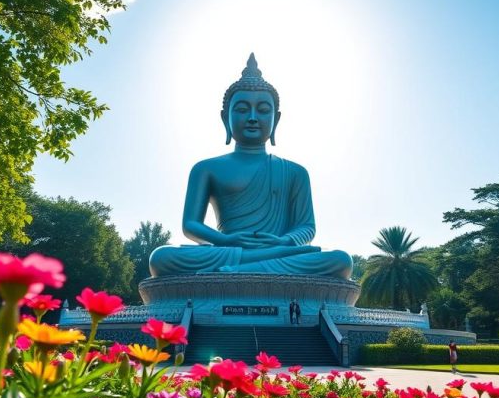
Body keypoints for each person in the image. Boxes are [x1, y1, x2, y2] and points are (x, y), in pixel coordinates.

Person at [148, 54, 352, 278]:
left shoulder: (295, 172)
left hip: (280, 251)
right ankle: (251, 265)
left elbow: (307, 227)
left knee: (341, 261)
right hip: (229, 250)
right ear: (226, 118)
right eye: (243, 110)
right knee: (160, 258)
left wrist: (285, 241)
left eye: (263, 110)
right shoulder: (206, 169)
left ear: (277, 119)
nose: (253, 117)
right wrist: (224, 240)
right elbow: (190, 224)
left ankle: (237, 270)